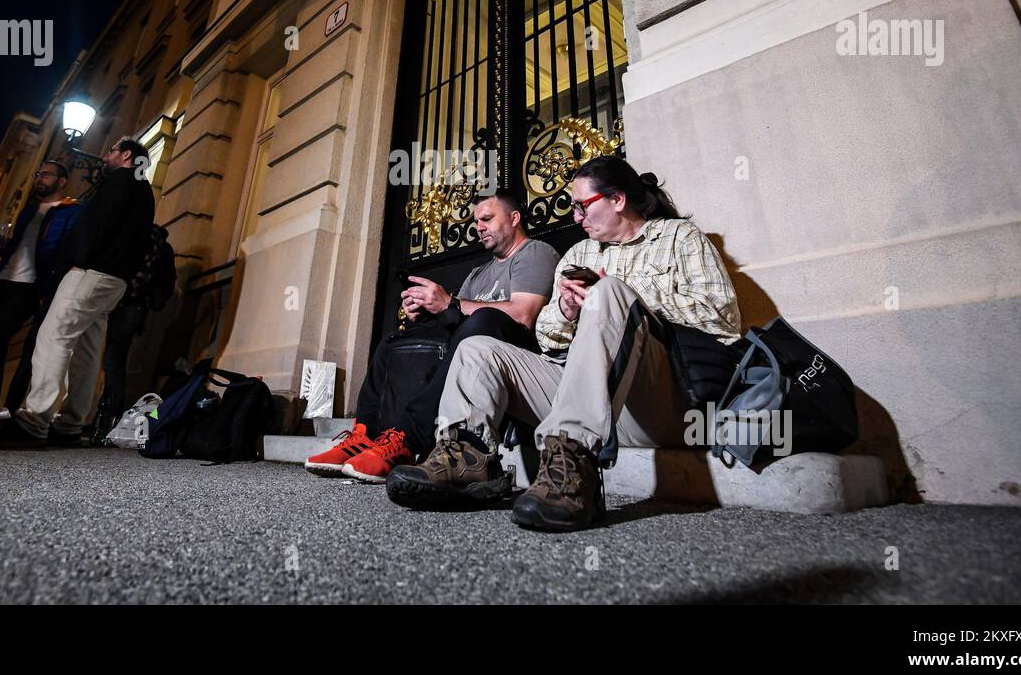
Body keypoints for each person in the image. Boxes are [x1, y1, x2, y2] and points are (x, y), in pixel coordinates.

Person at [386, 156, 742, 532]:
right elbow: (545, 337)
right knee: (479, 347)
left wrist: (622, 295)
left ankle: (573, 462)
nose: (575, 217)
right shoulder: (579, 254)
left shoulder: (678, 238)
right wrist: (570, 311)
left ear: (617, 199)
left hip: (658, 405)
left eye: (581, 206)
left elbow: (722, 318)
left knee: (609, 292)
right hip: (588, 399)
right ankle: (468, 459)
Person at [306, 189, 558, 482]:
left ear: (514, 218)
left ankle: (408, 439)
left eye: (487, 218)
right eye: (476, 221)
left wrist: (448, 303)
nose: (479, 227)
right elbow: (454, 319)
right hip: (471, 347)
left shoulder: (535, 252)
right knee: (395, 341)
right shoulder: (478, 273)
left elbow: (523, 315)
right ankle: (366, 436)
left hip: (512, 356)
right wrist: (426, 313)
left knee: (483, 320)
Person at [0, 137, 155, 446]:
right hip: (116, 279)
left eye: (111, 151)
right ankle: (69, 423)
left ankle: (35, 418)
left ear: (126, 155)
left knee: (55, 336)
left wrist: (73, 262)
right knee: (88, 348)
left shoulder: (119, 181)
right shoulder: (144, 190)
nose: (105, 156)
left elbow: (94, 226)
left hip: (91, 271)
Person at [0, 160, 81, 404]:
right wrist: (5, 247)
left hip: (27, 287)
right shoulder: (28, 211)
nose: (39, 178)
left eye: (46, 175)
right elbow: (21, 246)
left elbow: (62, 249)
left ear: (61, 181)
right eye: (38, 174)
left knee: (1, 336)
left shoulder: (69, 210)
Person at [88, 222, 177, 443]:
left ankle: (103, 418)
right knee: (115, 359)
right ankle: (107, 418)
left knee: (105, 357)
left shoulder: (132, 234)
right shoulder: (163, 247)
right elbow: (166, 284)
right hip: (135, 307)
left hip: (117, 301)